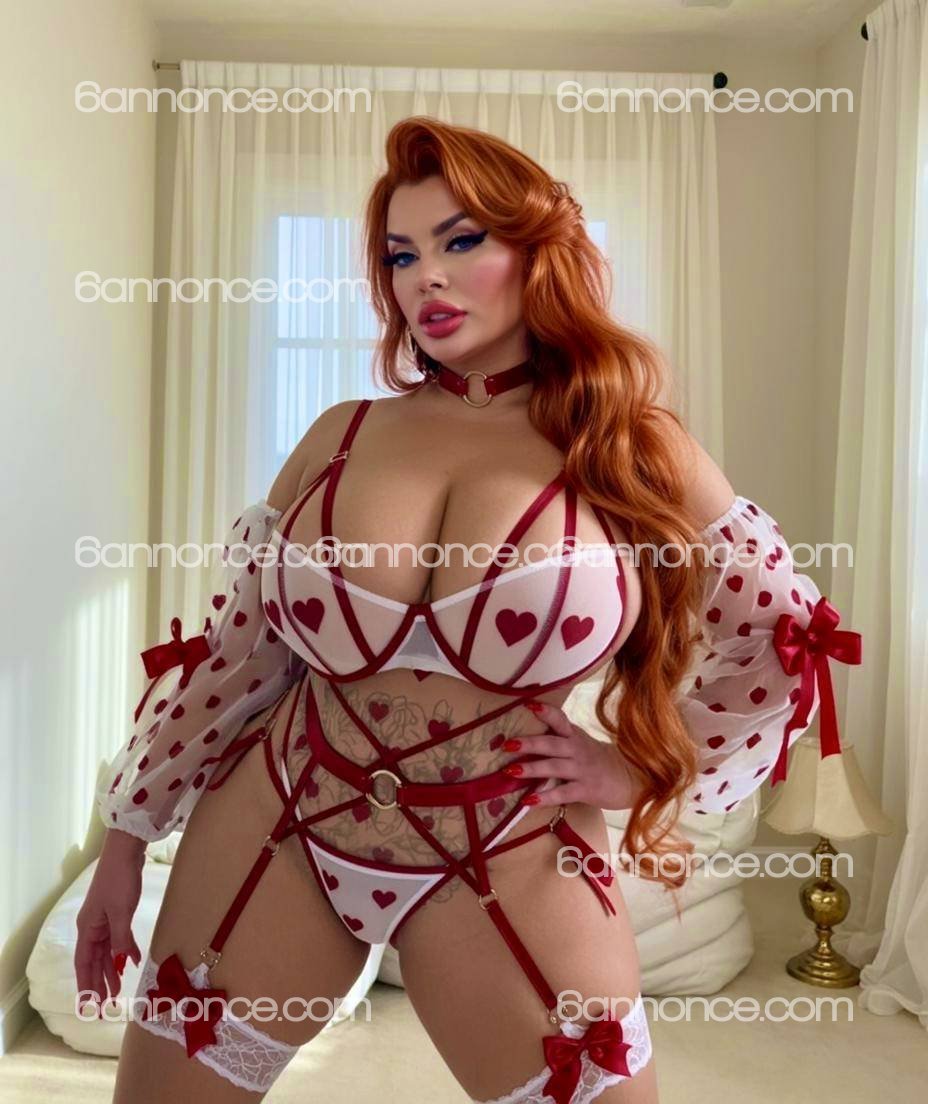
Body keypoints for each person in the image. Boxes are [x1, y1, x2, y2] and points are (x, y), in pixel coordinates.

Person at [75, 117, 860, 1104]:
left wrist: (633, 768)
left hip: (511, 852)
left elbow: (783, 634)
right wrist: (123, 847)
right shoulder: (342, 434)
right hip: (275, 824)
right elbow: (238, 660)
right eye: (401, 255)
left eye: (459, 241)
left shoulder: (629, 444)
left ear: (538, 252)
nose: (426, 279)